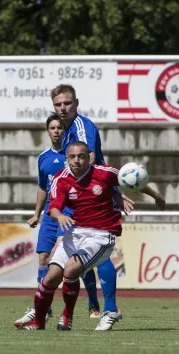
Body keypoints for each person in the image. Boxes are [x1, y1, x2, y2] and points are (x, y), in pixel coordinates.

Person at [19, 142, 165, 331]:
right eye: (72, 157)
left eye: (81, 156)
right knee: (50, 278)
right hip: (76, 232)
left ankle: (69, 315)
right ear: (66, 159)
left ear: (89, 157)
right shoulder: (60, 179)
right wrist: (60, 216)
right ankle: (38, 323)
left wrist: (156, 196)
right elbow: (54, 208)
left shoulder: (105, 173)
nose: (76, 161)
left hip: (102, 234)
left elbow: (132, 179)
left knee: (71, 269)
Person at [50, 84, 159, 331]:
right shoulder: (67, 130)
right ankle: (81, 307)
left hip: (89, 194)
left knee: (94, 252)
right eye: (58, 104)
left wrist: (113, 192)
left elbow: (90, 161)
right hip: (77, 193)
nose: (63, 108)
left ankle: (105, 308)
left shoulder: (80, 127)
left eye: (67, 103)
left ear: (76, 103)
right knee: (74, 257)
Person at [14, 114, 101, 329]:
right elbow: (42, 187)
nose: (56, 131)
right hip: (50, 213)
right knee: (44, 258)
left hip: (70, 213)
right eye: (52, 128)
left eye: (59, 128)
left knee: (73, 262)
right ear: (47, 131)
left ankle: (92, 303)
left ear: (65, 131)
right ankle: (44, 308)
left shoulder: (73, 155)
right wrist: (36, 213)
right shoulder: (43, 157)